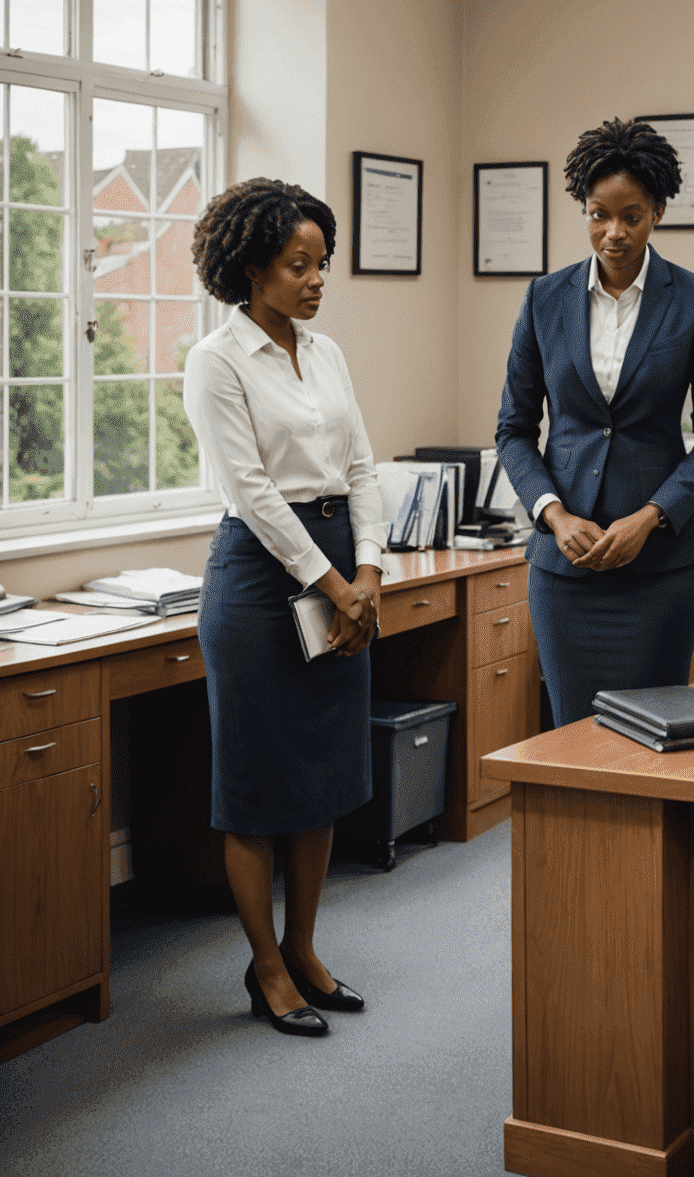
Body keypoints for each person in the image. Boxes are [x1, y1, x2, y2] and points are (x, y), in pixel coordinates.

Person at [184, 178, 385, 1039]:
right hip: (263, 583)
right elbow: (254, 494)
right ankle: (266, 967)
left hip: (342, 565)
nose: (315, 280)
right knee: (258, 785)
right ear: (250, 267)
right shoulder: (216, 360)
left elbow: (363, 468)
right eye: (298, 265)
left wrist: (369, 570)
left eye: (322, 263)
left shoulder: (326, 351)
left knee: (325, 776)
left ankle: (304, 948)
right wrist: (334, 585)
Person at [497, 118, 694, 726]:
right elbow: (513, 429)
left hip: (660, 570)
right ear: (584, 210)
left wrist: (651, 516)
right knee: (571, 735)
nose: (613, 232)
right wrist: (551, 512)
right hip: (564, 569)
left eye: (631, 215)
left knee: (655, 733)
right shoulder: (544, 298)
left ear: (657, 212)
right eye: (599, 214)